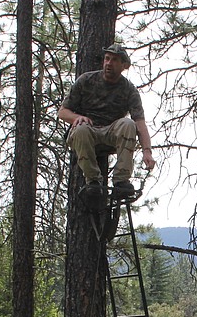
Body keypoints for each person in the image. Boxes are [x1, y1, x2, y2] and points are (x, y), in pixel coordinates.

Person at [59, 43, 156, 201]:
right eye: (107, 59)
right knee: (81, 128)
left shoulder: (129, 90)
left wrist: (147, 151)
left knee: (128, 124)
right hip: (87, 133)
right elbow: (62, 112)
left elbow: (139, 122)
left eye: (115, 60)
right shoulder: (86, 80)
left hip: (111, 134)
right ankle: (93, 183)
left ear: (124, 65)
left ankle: (121, 182)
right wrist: (76, 118)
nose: (109, 63)